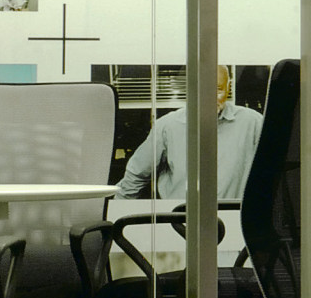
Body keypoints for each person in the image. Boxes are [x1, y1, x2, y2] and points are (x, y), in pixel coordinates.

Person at [110, 66, 263, 211]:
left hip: (234, 218)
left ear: (228, 88)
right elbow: (135, 176)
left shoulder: (253, 123)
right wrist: (115, 217)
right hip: (178, 219)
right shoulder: (167, 126)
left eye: (217, 89)